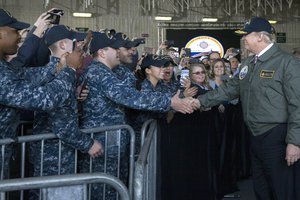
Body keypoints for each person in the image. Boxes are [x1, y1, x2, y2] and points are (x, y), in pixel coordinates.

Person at [78, 31, 196, 200]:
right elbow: (129, 96)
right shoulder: (98, 72)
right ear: (102, 52)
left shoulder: (113, 71)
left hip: (111, 143)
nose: (119, 51)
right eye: (114, 49)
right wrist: (169, 103)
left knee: (116, 189)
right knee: (103, 191)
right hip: (102, 145)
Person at [195, 16, 300, 200]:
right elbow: (229, 90)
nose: (244, 39)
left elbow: (297, 104)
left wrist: (295, 142)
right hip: (255, 136)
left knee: (282, 190)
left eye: (247, 35)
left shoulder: (286, 62)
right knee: (261, 189)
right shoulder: (248, 64)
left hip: (277, 137)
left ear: (260, 37)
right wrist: (199, 101)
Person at [0, 8, 89, 179]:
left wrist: (59, 65)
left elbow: (27, 75)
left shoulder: (4, 68)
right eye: (14, 31)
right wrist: (69, 69)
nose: (19, 36)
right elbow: (45, 99)